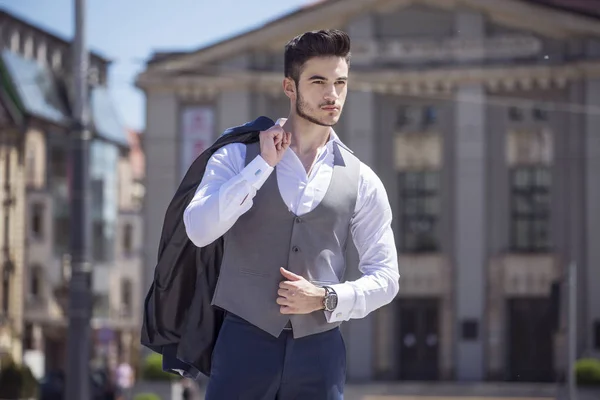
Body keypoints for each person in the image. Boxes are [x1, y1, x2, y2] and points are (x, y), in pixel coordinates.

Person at [183, 29, 399, 400]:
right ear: (289, 87)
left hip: (321, 355)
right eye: (318, 81)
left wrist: (327, 297)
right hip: (243, 346)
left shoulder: (362, 179)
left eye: (340, 83)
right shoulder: (237, 158)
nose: (332, 95)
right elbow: (199, 229)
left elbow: (386, 276)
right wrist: (261, 168)